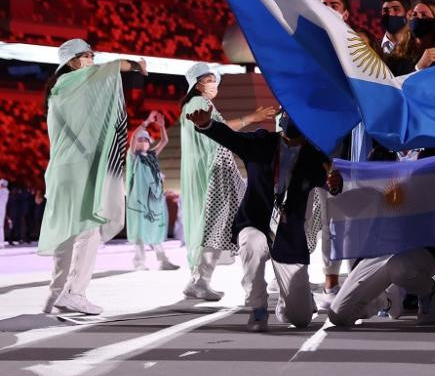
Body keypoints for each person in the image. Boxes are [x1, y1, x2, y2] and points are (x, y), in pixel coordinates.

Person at [186, 107, 333, 331]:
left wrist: (335, 179)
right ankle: (258, 308)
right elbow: (230, 138)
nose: (290, 120)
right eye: (287, 115)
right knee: (252, 245)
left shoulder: (315, 157)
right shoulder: (261, 142)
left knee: (301, 319)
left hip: (288, 237)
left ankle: (288, 303)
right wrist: (207, 125)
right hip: (255, 222)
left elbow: (331, 183)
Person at [40, 39, 146, 315]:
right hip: (78, 170)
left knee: (67, 236)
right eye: (86, 56)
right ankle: (75, 293)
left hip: (60, 172)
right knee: (89, 231)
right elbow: (110, 70)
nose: (91, 60)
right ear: (71, 62)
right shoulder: (75, 82)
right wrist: (135, 64)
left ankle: (55, 295)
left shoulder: (59, 90)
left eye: (91, 55)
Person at [180, 63, 277, 301]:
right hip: (215, 171)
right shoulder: (198, 104)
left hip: (218, 169)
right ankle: (200, 280)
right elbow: (219, 130)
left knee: (219, 225)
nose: (214, 83)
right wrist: (251, 118)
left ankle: (201, 279)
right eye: (209, 79)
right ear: (197, 83)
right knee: (216, 224)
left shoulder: (201, 104)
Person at [126, 112, 179, 271]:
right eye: (140, 139)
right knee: (140, 231)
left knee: (155, 229)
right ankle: (139, 262)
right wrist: (147, 122)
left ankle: (163, 260)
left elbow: (164, 140)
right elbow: (134, 137)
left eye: (145, 139)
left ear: (149, 143)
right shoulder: (133, 157)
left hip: (154, 201)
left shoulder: (152, 156)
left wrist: (162, 126)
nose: (142, 141)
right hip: (138, 201)